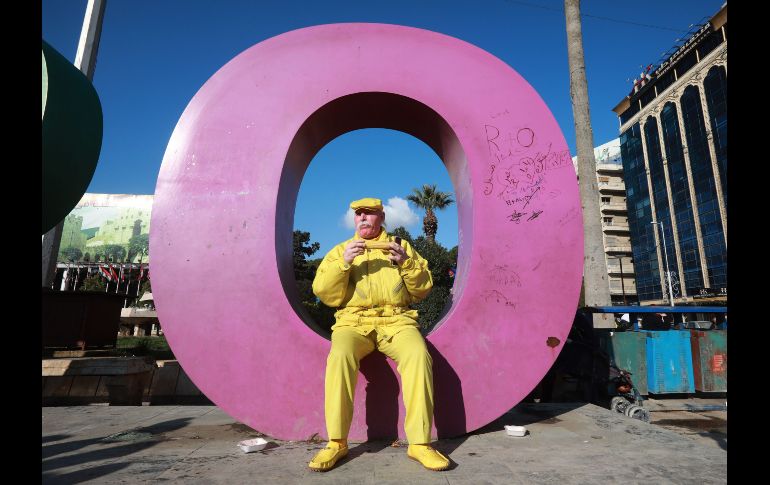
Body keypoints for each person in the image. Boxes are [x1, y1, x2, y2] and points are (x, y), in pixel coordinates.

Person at [308, 197, 450, 472]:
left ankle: (420, 444)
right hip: (353, 322)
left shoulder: (402, 246)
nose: (362, 218)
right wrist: (344, 264)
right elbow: (325, 294)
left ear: (381, 217)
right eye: (358, 214)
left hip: (397, 320)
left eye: (369, 213)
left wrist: (406, 263)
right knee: (339, 356)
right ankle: (337, 442)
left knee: (418, 355)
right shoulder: (341, 250)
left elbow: (423, 289)